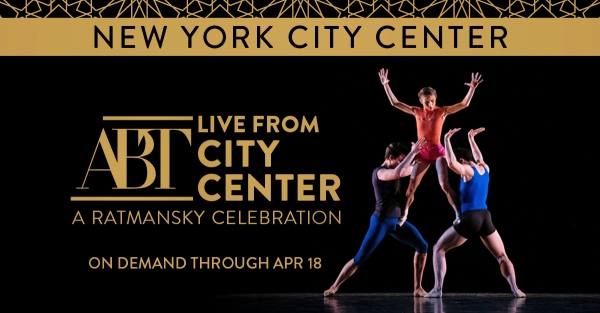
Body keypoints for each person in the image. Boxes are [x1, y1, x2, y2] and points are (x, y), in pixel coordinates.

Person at [424, 127, 526, 298]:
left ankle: (437, 289)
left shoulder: (467, 171)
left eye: (459, 160)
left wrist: (447, 139)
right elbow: (479, 157)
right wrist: (471, 139)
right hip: (486, 216)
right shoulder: (484, 168)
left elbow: (451, 164)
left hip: (470, 217)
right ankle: (516, 290)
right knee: (502, 255)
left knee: (438, 249)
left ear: (462, 160)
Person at [324, 138, 430, 297]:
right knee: (360, 258)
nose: (401, 163)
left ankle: (417, 287)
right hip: (381, 221)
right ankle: (334, 286)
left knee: (423, 246)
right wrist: (413, 153)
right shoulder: (379, 172)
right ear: (390, 158)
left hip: (397, 222)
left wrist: (426, 153)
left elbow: (414, 168)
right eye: (399, 160)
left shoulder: (397, 168)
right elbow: (397, 172)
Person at [378, 69, 484, 225]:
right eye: (427, 102)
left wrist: (472, 88)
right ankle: (405, 213)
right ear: (421, 101)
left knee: (444, 185)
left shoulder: (442, 112)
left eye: (432, 101)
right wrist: (386, 85)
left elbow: (464, 104)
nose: (430, 104)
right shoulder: (416, 111)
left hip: (438, 153)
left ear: (435, 99)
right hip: (422, 154)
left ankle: (458, 214)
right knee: (411, 187)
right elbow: (395, 103)